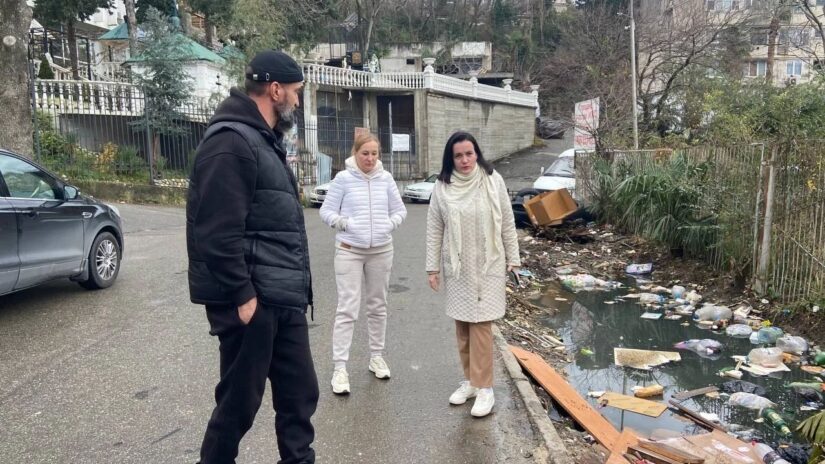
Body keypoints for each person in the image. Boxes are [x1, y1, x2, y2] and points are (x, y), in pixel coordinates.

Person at [186, 50, 318, 464]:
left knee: (300, 396)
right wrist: (243, 295)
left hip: (283, 297)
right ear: (275, 90)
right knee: (238, 405)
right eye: (296, 91)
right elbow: (215, 231)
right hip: (252, 301)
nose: (297, 100)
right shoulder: (231, 142)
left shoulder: (263, 139)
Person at [425, 131, 520, 418]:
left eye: (469, 153)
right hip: (458, 267)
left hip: (489, 264)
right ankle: (470, 381)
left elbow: (507, 221)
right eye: (459, 155)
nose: (465, 160)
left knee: (481, 327)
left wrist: (514, 259)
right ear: (450, 159)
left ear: (477, 153)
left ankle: (485, 387)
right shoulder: (443, 186)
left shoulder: (492, 180)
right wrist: (432, 268)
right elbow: (434, 228)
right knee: (464, 326)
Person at [320, 133, 407, 394]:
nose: (369, 158)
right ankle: (340, 368)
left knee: (378, 306)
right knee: (347, 308)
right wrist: (344, 223)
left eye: (374, 153)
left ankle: (376, 356)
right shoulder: (343, 179)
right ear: (355, 153)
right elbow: (326, 211)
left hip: (381, 250)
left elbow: (400, 210)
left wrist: (388, 224)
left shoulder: (386, 178)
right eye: (364, 153)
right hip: (349, 250)